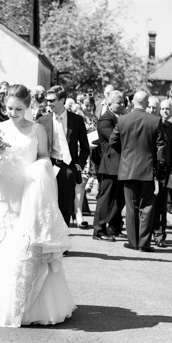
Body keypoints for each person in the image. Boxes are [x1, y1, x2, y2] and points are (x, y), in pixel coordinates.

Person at [0, 84, 75, 327]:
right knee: (1, 242)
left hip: (29, 194)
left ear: (28, 107)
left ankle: (27, 306)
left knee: (25, 246)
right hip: (3, 193)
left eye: (19, 108)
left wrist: (38, 171)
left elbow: (45, 157)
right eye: (9, 108)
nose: (13, 113)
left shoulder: (38, 130)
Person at [109, 91, 165, 252]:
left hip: (128, 168)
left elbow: (113, 141)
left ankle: (133, 242)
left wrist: (126, 153)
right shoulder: (155, 121)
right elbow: (161, 146)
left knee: (131, 206)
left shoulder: (122, 119)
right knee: (147, 207)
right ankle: (144, 243)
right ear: (147, 103)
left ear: (133, 102)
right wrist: (159, 166)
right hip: (148, 169)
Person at [38, 85, 90, 228]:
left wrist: (77, 166)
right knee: (48, 204)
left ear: (62, 100)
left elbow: (85, 148)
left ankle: (63, 239)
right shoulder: (42, 120)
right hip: (50, 166)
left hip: (68, 168)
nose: (48, 103)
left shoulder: (77, 120)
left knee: (65, 206)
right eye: (47, 100)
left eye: (52, 100)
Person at [93, 90, 126, 241]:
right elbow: (115, 139)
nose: (122, 104)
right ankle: (99, 230)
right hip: (110, 164)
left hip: (122, 164)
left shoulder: (122, 118)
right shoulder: (105, 119)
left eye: (123, 101)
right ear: (109, 104)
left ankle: (114, 228)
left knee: (119, 199)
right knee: (105, 198)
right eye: (119, 102)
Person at [149, 98, 172, 247]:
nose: (164, 111)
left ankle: (160, 235)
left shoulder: (168, 126)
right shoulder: (149, 125)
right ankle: (147, 233)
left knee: (162, 206)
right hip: (149, 171)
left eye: (167, 109)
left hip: (164, 173)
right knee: (150, 204)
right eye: (162, 109)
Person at [75, 93, 98, 227]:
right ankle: (77, 214)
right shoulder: (78, 117)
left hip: (91, 153)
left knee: (82, 184)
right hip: (79, 153)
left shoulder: (95, 118)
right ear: (81, 105)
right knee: (78, 184)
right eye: (86, 105)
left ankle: (79, 213)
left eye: (91, 105)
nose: (89, 107)